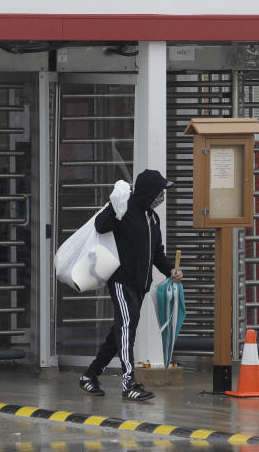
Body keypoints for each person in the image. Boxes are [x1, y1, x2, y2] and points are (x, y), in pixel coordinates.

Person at [79, 169, 183, 401]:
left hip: (140, 285)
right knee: (126, 329)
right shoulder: (124, 210)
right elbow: (100, 225)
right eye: (160, 192)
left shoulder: (152, 218)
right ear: (148, 192)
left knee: (119, 332)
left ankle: (90, 375)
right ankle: (128, 382)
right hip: (121, 281)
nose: (162, 197)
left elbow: (157, 254)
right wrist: (115, 209)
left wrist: (170, 270)